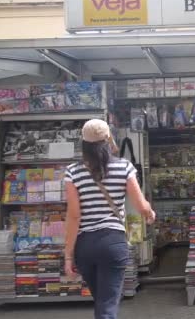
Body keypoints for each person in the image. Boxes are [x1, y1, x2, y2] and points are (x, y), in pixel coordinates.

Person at [64, 119, 156, 319]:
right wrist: (149, 212)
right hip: (113, 242)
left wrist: (68, 255)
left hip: (84, 245)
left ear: (84, 143)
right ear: (108, 139)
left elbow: (73, 215)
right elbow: (141, 205)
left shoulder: (73, 171)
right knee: (106, 305)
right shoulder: (124, 167)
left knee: (101, 301)